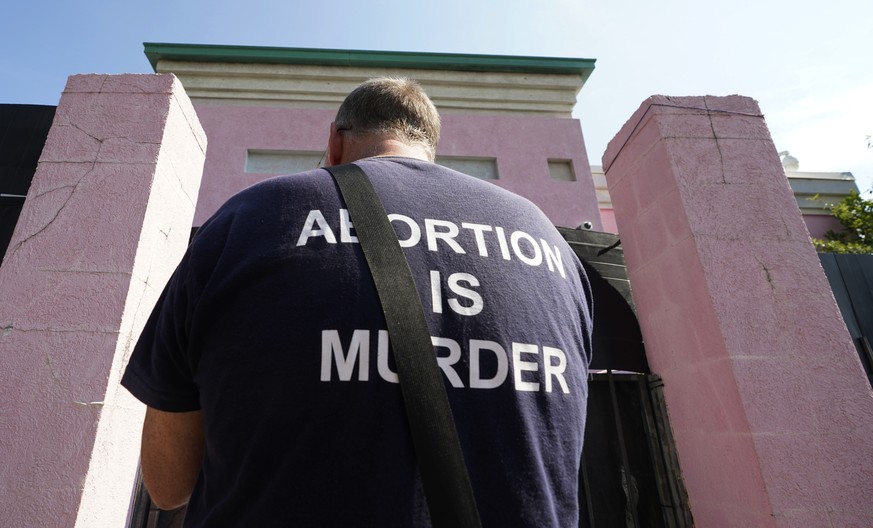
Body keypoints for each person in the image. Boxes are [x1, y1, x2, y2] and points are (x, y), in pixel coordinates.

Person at [122, 77, 593, 527]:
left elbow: (167, 484)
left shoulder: (252, 217)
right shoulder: (544, 238)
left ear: (335, 143)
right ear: (429, 148)